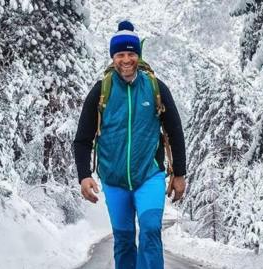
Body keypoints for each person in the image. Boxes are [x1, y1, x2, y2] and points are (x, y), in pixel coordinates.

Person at [73, 20, 186, 269]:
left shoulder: (155, 88)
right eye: (120, 54)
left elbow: (175, 133)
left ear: (138, 55)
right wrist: (84, 175)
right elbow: (82, 140)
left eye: (131, 53)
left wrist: (179, 174)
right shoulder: (101, 91)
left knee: (150, 231)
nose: (126, 59)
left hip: (149, 175)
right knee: (123, 240)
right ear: (113, 57)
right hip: (114, 181)